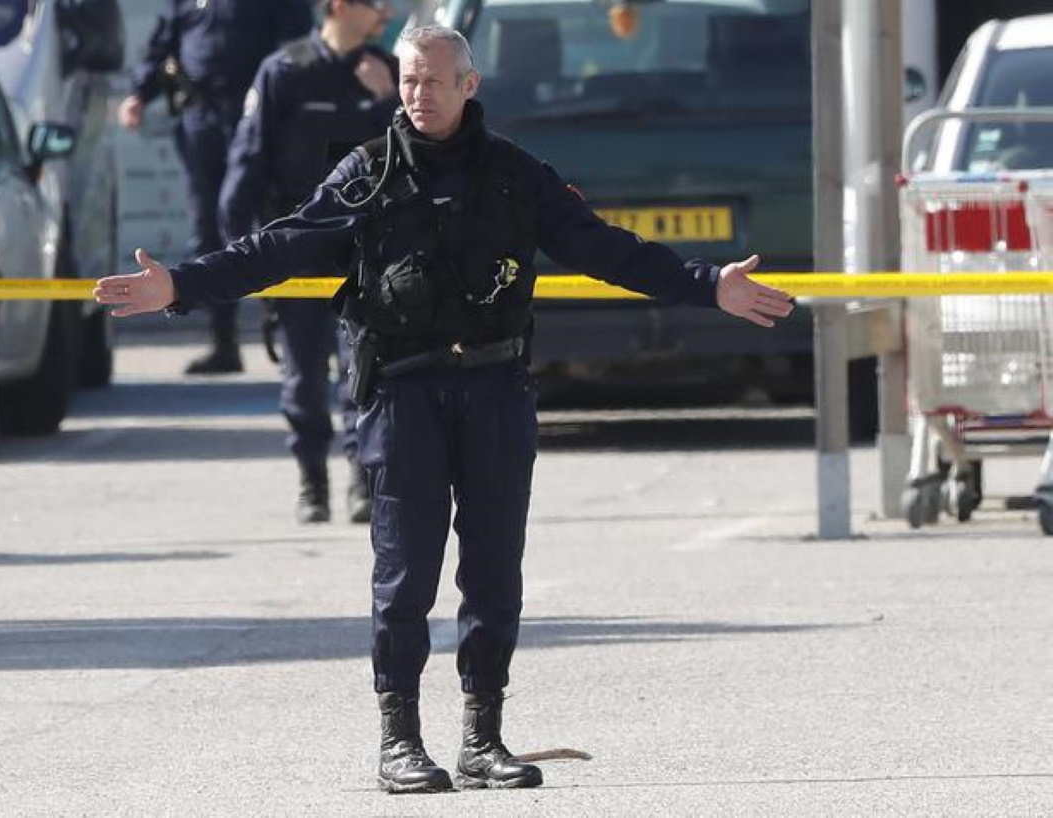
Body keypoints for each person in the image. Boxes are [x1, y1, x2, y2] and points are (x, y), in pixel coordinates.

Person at [95, 25, 794, 794]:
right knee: (406, 576)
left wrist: (707, 285)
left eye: (434, 81)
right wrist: (180, 287)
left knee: (494, 573)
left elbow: (608, 250)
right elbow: (278, 247)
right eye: (407, 82)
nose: (418, 96)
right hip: (403, 394)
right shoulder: (365, 174)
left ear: (470, 84)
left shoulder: (514, 176)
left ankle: (482, 735)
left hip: (497, 389)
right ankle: (400, 740)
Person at [219, 0, 398, 524]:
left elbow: (417, 150)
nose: (385, 10)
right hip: (299, 250)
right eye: (375, 2)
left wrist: (387, 100)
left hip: (368, 252)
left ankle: (362, 481)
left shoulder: (385, 72)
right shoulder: (284, 71)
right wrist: (239, 255)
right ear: (340, 6)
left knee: (363, 371)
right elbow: (246, 162)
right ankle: (312, 483)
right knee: (302, 374)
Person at [117, 0, 314, 375]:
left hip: (260, 120)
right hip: (201, 115)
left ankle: (296, 345)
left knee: (279, 227)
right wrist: (140, 94)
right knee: (209, 230)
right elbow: (165, 42)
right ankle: (223, 343)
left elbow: (298, 47)